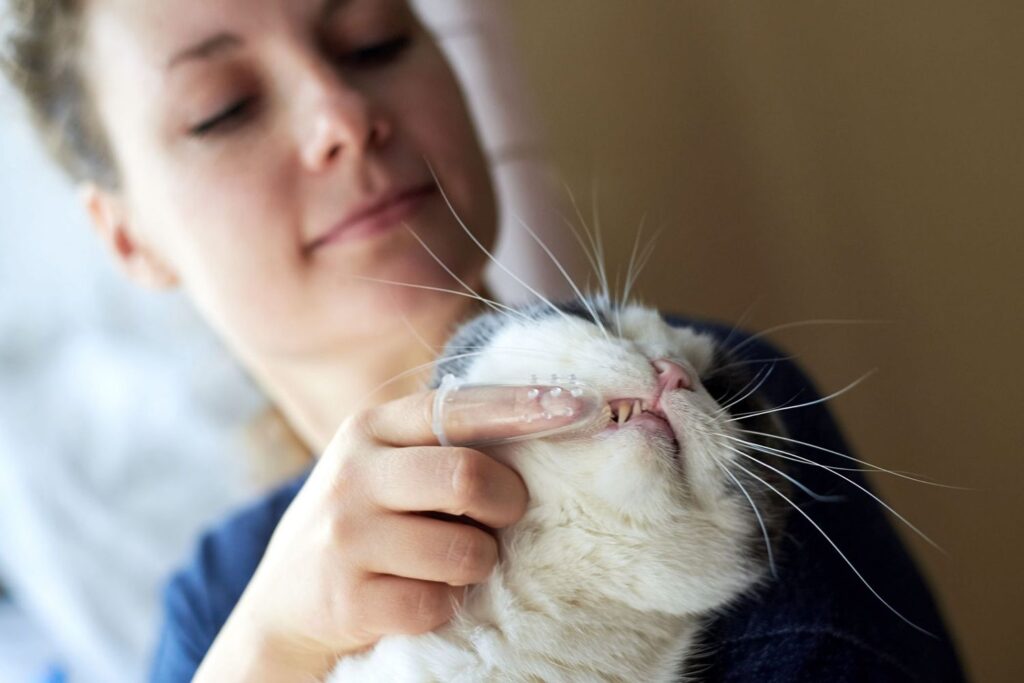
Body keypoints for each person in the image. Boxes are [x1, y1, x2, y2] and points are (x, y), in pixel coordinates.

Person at [3, 0, 966, 680]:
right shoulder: (218, 599)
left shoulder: (716, 403)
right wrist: (270, 651)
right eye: (224, 108)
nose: (342, 116)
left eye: (374, 39)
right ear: (128, 235)